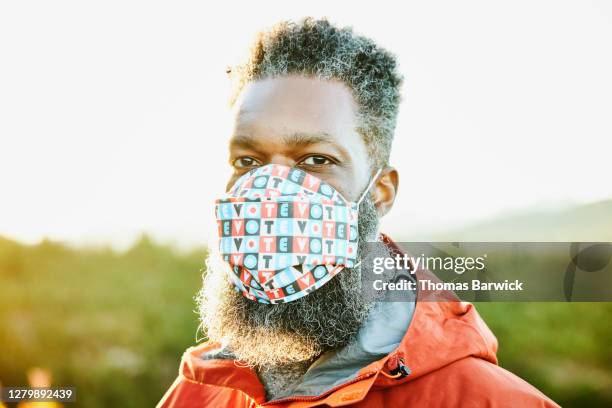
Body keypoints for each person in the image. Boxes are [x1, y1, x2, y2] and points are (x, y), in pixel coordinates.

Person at [158, 18, 558, 407]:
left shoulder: (486, 400)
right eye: (247, 162)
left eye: (316, 159)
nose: (271, 194)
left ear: (381, 192)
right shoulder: (194, 394)